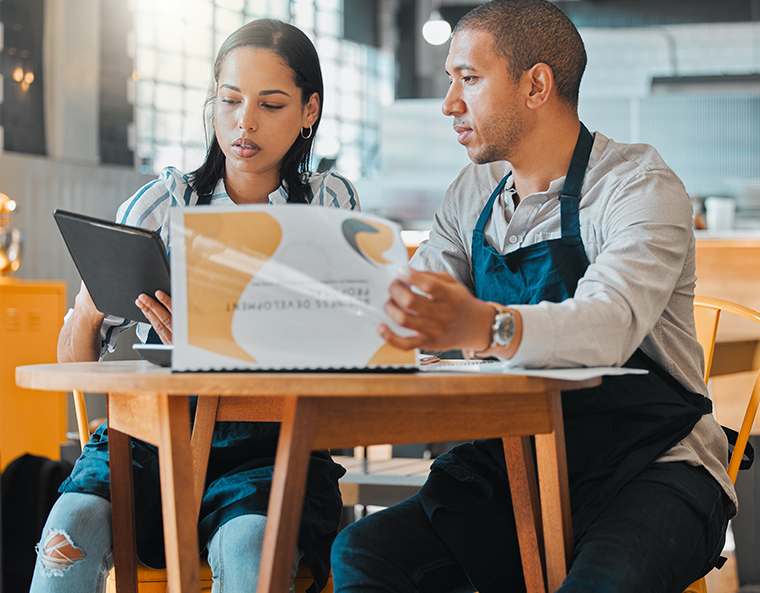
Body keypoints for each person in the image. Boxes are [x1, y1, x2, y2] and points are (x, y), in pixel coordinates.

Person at [331, 2, 736, 592]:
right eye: (450, 81)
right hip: (514, 462)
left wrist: (483, 327)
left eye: (468, 79)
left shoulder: (636, 186)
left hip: (653, 467)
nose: (449, 103)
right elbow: (409, 310)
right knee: (363, 553)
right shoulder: (472, 192)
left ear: (536, 85)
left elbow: (608, 323)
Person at [33, 18, 357, 593]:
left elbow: (355, 339)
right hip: (149, 440)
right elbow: (73, 363)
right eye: (229, 101)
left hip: (271, 446)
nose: (244, 122)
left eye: (271, 104)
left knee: (248, 547)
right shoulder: (162, 203)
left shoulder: (329, 203)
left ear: (309, 111)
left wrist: (223, 332)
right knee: (68, 531)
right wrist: (90, 306)